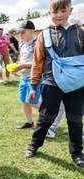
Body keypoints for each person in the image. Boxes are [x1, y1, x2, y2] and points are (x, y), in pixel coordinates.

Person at [25, 0, 84, 168]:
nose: (59, 15)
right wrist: (33, 86)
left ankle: (77, 153)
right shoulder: (44, 35)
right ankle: (34, 145)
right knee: (46, 117)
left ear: (70, 10)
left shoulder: (81, 33)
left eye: (63, 11)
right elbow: (37, 62)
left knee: (75, 119)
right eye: (55, 12)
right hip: (52, 83)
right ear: (49, 13)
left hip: (77, 85)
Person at [12, 20, 42, 129]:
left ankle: (50, 111)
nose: (21, 35)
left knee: (32, 101)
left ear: (32, 31)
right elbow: (22, 60)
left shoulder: (37, 44)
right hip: (23, 77)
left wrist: (23, 65)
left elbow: (38, 63)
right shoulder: (23, 45)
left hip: (34, 78)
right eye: (20, 32)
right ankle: (29, 122)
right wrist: (16, 66)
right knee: (24, 101)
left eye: (23, 32)